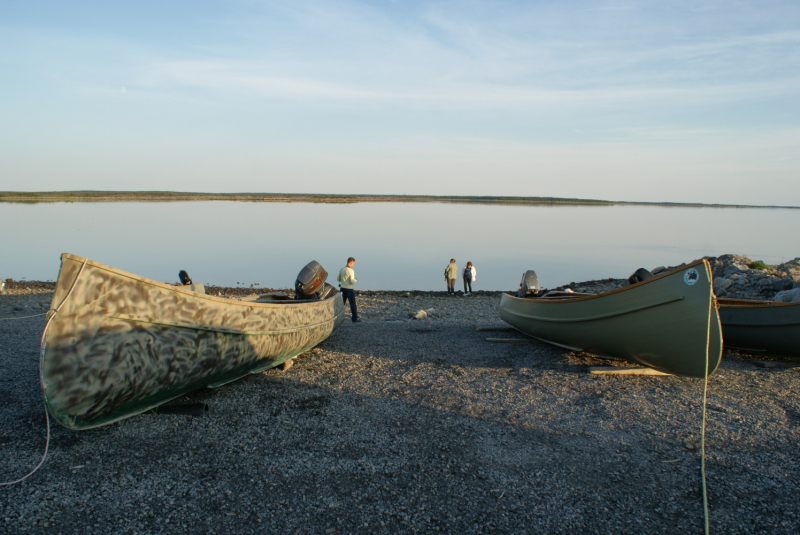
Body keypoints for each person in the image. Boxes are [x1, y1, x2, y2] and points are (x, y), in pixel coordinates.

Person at [337, 257, 361, 323]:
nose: (353, 265)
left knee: (341, 304)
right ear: (351, 263)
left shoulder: (342, 269)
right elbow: (351, 281)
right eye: (353, 263)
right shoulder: (351, 271)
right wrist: (355, 280)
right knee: (352, 304)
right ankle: (354, 318)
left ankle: (338, 317)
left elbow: (338, 279)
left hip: (342, 288)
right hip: (349, 289)